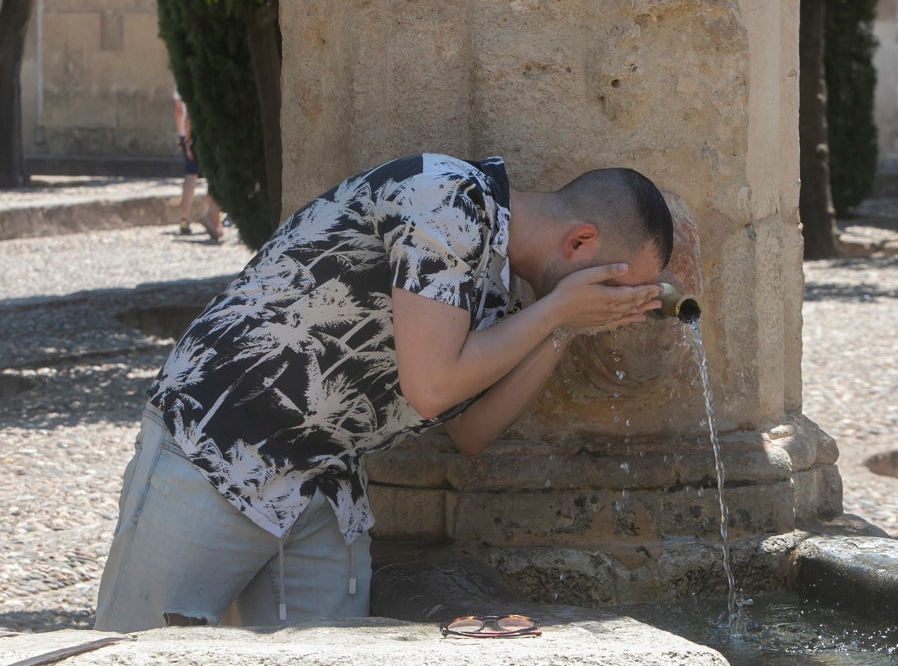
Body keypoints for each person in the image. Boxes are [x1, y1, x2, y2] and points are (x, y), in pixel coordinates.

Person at [95, 153, 673, 632]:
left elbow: (469, 431)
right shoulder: (447, 197)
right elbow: (432, 387)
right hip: (215, 449)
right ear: (581, 242)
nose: (618, 302)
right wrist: (554, 311)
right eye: (617, 285)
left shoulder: (502, 297)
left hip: (324, 488)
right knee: (133, 652)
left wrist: (562, 325)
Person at [174, 89, 225, 241]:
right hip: (214, 136)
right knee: (218, 177)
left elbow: (188, 116)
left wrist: (187, 139)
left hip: (199, 137)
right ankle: (213, 216)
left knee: (195, 176)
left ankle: (189, 219)